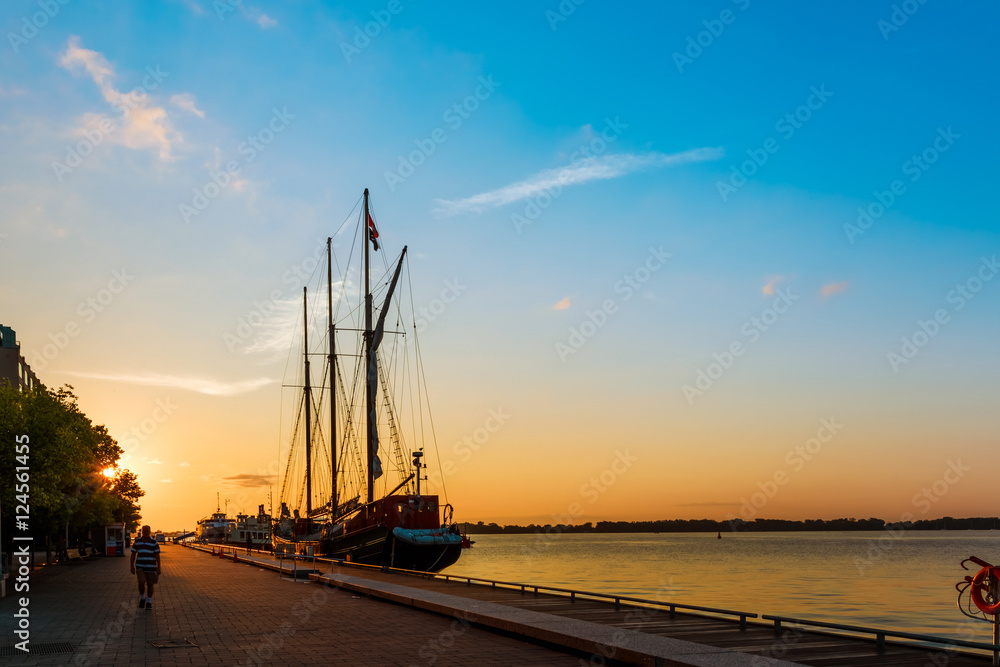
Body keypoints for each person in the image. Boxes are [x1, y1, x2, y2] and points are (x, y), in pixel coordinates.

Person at [130, 525, 161, 610]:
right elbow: (133, 554)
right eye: (144, 531)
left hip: (151, 567)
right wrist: (132, 566)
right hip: (140, 566)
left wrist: (159, 567)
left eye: (147, 531)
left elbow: (157, 555)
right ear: (142, 532)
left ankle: (149, 602)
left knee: (150, 584)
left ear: (150, 532)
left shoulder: (154, 542)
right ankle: (142, 597)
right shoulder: (137, 542)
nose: (146, 533)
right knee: (141, 582)